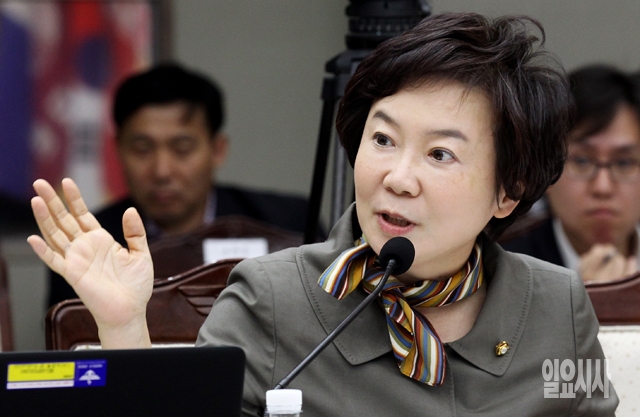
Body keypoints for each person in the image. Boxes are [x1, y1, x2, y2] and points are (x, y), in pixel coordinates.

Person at [28, 13, 617, 416]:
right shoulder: (271, 301)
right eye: (382, 140)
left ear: (508, 192)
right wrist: (126, 331)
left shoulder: (557, 306)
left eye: (440, 154)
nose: (397, 177)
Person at [47, 63, 312, 306]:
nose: (162, 171)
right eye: (142, 149)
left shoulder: (290, 225)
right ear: (118, 151)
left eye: (182, 149)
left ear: (217, 150)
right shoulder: (87, 245)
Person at [502, 65, 640, 283]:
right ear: (547, 169)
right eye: (582, 161)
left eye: (624, 163)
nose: (602, 187)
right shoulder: (503, 272)